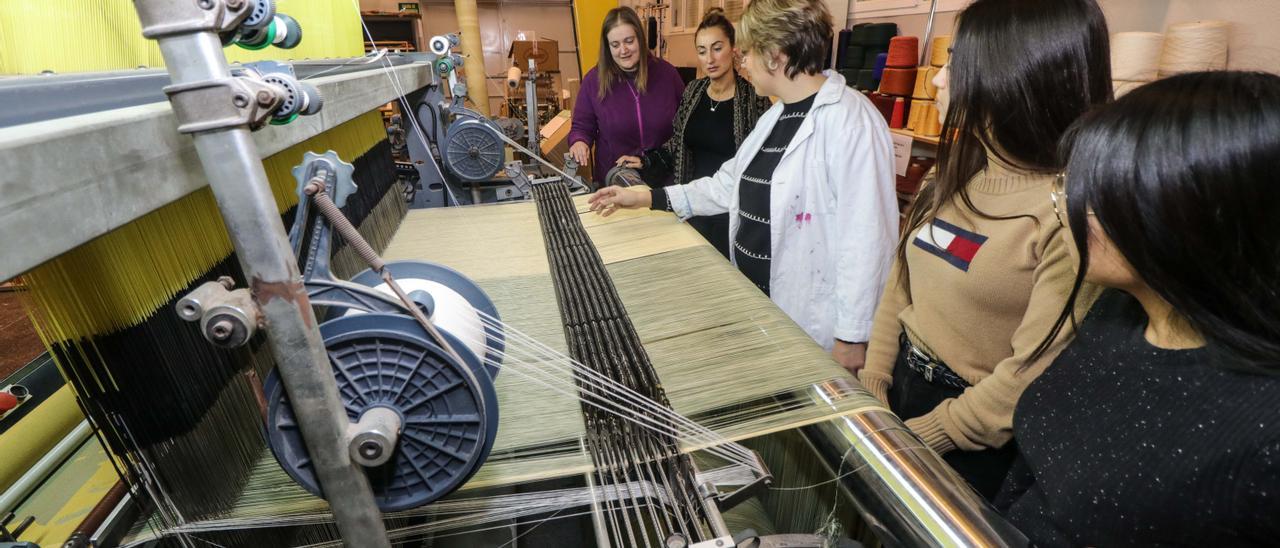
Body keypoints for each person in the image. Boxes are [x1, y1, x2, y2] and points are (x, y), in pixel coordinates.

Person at [996, 70, 1280, 546]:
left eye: (1089, 192)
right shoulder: (1118, 311)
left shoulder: (1263, 436)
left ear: (1177, 215)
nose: (1060, 206)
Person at [857, 0, 1111, 500]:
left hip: (975, 438)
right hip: (905, 390)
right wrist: (876, 378)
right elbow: (901, 284)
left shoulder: (1067, 216)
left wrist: (926, 434)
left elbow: (1030, 374)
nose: (936, 81)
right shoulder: (947, 176)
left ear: (1006, 76)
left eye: (953, 65)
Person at [588, 0, 897, 370]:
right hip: (763, 308)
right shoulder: (778, 116)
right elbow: (723, 186)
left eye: (747, 52)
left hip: (813, 324)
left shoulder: (851, 121)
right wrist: (642, 197)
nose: (742, 62)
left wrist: (851, 337)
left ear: (776, 55)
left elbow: (867, 238)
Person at [614, 8, 773, 257]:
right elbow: (677, 143)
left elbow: (762, 166)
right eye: (701, 51)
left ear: (733, 48)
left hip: (730, 213)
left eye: (717, 48)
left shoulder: (755, 101)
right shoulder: (693, 92)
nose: (709, 58)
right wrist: (646, 161)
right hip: (692, 206)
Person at [568, 7, 685, 184]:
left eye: (629, 41)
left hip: (663, 178)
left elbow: (685, 123)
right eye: (615, 45)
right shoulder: (594, 80)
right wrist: (579, 141)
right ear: (608, 47)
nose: (623, 50)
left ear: (640, 38)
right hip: (616, 181)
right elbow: (582, 126)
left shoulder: (667, 74)